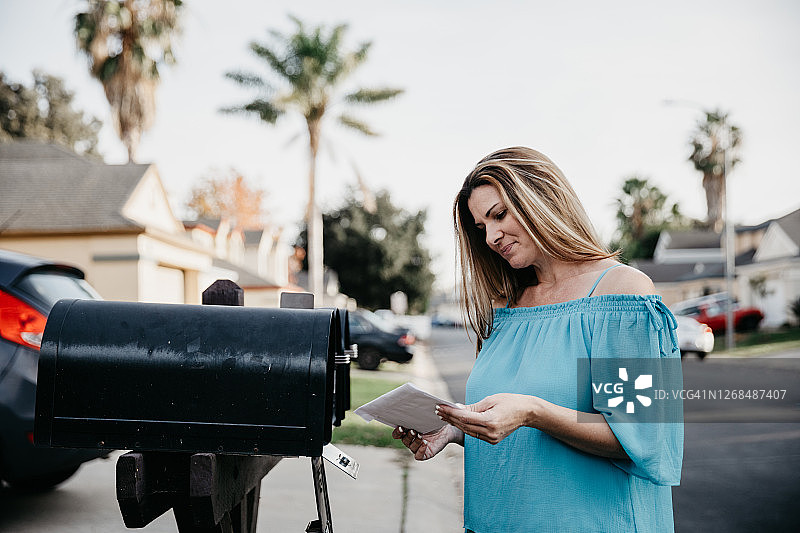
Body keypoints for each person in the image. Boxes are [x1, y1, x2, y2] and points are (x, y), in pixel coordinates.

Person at [393, 147, 683, 532]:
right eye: (481, 228)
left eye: (499, 215)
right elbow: (513, 424)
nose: (492, 236)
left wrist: (534, 412)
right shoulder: (506, 306)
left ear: (541, 198)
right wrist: (457, 430)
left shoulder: (620, 293)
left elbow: (641, 435)